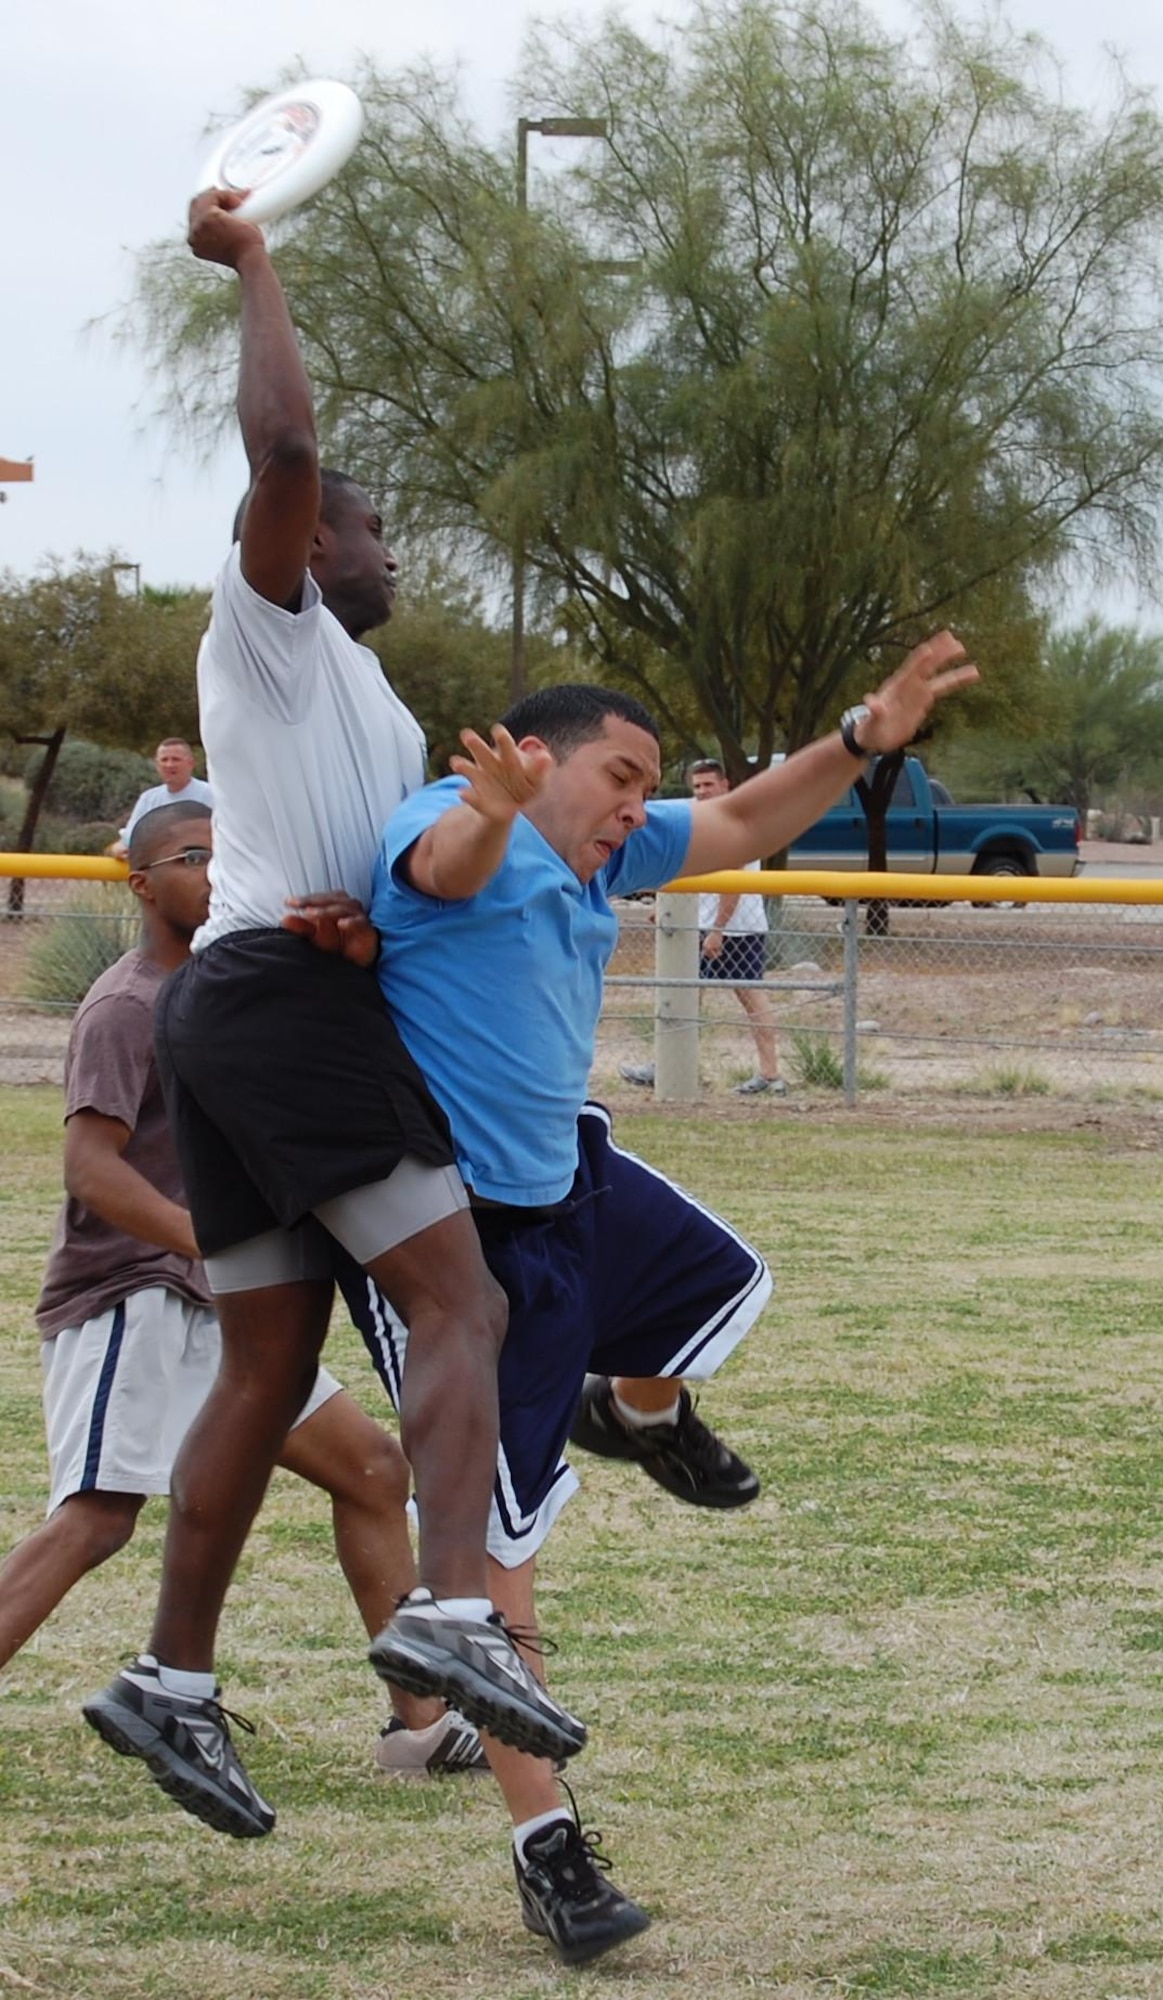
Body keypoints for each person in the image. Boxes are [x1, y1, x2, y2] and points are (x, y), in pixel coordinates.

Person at [301, 645, 975, 1964]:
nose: (637, 805)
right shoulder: (450, 825)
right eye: (620, 778)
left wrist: (858, 735)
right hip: (449, 1253)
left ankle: (631, 1405)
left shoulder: (598, 848)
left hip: (569, 1187)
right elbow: (446, 870)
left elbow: (736, 822)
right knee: (497, 1565)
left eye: (642, 787)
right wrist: (490, 812)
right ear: (536, 759)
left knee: (725, 1285)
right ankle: (547, 1853)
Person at [82, 190, 583, 1845]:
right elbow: (286, 439)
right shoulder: (277, 624)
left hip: (250, 1007)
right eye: (364, 534)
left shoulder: (361, 705)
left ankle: (168, 1677)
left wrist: (366, 927)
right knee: (460, 1305)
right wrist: (257, 260)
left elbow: (372, 875)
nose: (382, 556)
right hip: (270, 1014)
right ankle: (449, 1615)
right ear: (303, 540)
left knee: (266, 1361)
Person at [2, 800, 486, 1782]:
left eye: (230, 854)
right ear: (140, 885)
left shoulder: (244, 1001)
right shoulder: (127, 1003)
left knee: (371, 1470)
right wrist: (213, 1245)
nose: (214, 871)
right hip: (129, 1296)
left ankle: (423, 1723)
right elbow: (93, 1170)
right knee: (98, 1514)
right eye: (189, 857)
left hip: (228, 1320)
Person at [620, 755, 784, 1095]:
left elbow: (732, 881)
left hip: (736, 929)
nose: (703, 791)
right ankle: (669, 1066)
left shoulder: (736, 820)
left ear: (725, 785)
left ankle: (771, 1074)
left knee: (751, 998)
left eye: (709, 784)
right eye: (697, 786)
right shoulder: (698, 820)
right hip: (702, 926)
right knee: (685, 998)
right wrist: (669, 907)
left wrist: (717, 930)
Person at [108, 739, 214, 861]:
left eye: (176, 759)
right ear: (157, 765)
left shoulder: (210, 795)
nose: (169, 765)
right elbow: (131, 837)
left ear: (191, 763)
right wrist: (116, 848)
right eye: (164, 760)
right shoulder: (148, 799)